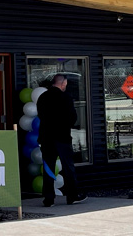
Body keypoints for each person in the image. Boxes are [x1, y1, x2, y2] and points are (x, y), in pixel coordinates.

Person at [37, 74, 87, 206]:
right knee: (68, 167)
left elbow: (40, 115)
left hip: (46, 137)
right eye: (65, 83)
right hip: (62, 137)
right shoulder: (65, 97)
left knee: (48, 168)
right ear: (62, 83)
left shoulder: (42, 97)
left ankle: (48, 198)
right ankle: (72, 196)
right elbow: (72, 118)